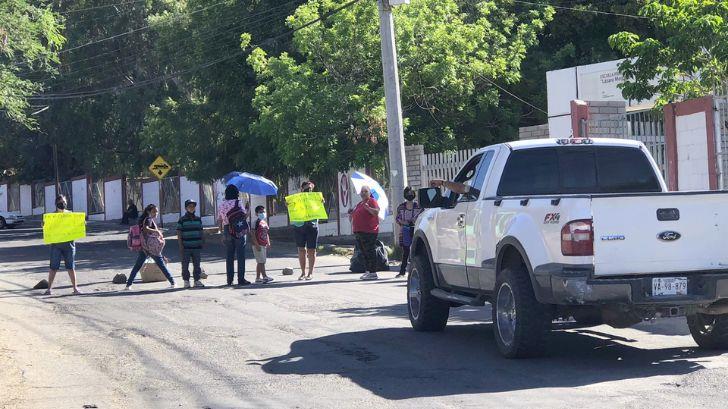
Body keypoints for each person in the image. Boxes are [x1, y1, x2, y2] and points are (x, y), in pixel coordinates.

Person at [124, 204, 176, 290]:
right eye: (154, 211)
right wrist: (157, 231)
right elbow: (145, 229)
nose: (156, 213)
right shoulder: (148, 219)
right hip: (151, 247)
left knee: (137, 266)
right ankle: (173, 282)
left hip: (144, 247)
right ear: (149, 212)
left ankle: (128, 285)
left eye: (157, 211)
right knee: (161, 265)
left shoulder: (143, 219)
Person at [44, 195, 81, 295]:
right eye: (61, 202)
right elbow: (47, 228)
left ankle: (75, 289)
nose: (63, 204)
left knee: (71, 267)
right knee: (53, 267)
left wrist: (82, 223)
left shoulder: (70, 214)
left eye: (64, 202)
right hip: (56, 245)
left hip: (69, 245)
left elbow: (77, 226)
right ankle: (49, 289)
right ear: (56, 204)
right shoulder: (51, 216)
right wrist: (44, 225)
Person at [217, 184, 250, 286]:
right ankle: (241, 279)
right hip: (238, 229)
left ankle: (229, 280)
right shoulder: (238, 202)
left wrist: (221, 232)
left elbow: (220, 220)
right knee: (241, 255)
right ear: (236, 193)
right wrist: (248, 209)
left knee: (229, 255)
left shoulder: (222, 204)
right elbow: (244, 216)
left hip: (227, 229)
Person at [349, 185, 380, 281]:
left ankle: (373, 272)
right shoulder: (359, 204)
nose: (363, 193)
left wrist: (368, 208)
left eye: (365, 191)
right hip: (359, 231)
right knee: (363, 252)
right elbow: (353, 218)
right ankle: (368, 271)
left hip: (369, 231)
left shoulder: (372, 201)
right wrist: (351, 214)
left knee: (370, 251)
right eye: (362, 191)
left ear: (369, 193)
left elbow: (376, 212)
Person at [293, 181, 320, 280]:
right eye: (306, 188)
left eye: (310, 188)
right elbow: (292, 209)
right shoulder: (296, 199)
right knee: (301, 249)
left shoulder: (316, 198)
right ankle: (303, 272)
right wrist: (289, 204)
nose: (308, 190)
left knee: (311, 250)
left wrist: (321, 202)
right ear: (302, 189)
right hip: (299, 225)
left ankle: (310, 273)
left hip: (312, 226)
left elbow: (320, 209)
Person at [177, 199, 205, 289]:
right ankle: (186, 281)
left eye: (193, 206)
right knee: (185, 265)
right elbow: (179, 232)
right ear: (186, 208)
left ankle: (197, 280)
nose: (192, 208)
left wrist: (202, 241)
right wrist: (180, 245)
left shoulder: (198, 219)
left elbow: (201, 230)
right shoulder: (182, 220)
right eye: (190, 206)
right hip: (186, 246)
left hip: (196, 246)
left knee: (197, 264)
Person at [395, 187, 423, 278]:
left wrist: (414, 221)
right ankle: (402, 271)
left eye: (411, 193)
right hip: (405, 231)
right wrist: (405, 222)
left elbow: (422, 217)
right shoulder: (401, 207)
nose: (410, 195)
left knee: (417, 251)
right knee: (406, 252)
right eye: (408, 193)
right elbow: (398, 219)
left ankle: (417, 271)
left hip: (416, 230)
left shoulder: (419, 206)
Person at [251, 205, 274, 284]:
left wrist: (268, 242)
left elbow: (266, 233)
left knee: (261, 261)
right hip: (258, 245)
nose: (263, 213)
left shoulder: (264, 222)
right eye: (260, 212)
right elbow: (253, 234)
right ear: (256, 214)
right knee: (261, 261)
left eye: (264, 212)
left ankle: (258, 278)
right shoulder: (256, 222)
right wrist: (256, 244)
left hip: (263, 244)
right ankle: (265, 277)